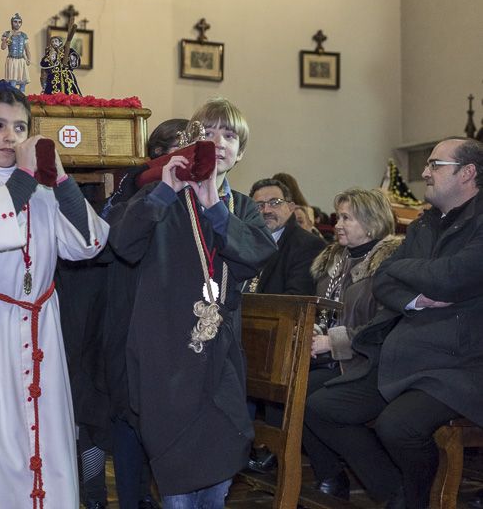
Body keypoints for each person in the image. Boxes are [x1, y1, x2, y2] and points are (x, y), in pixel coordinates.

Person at [0, 80, 109, 508]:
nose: (10, 136)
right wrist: (27, 178)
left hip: (39, 328)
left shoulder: (44, 189)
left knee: (44, 442)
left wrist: (61, 179)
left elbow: (89, 243)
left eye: (19, 126)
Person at [109, 98, 275, 508]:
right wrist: (165, 190)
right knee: (177, 477)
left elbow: (256, 253)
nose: (218, 142)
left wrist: (214, 207)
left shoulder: (241, 207)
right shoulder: (161, 197)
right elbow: (123, 243)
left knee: (220, 464)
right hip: (165, 356)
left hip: (220, 356)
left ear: (241, 152)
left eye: (230, 135)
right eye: (207, 132)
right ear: (188, 142)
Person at [305, 137, 483, 509]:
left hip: (459, 362)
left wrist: (412, 273)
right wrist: (417, 297)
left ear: (468, 173)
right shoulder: (424, 225)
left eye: (435, 165)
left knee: (397, 426)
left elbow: (451, 276)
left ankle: (417, 499)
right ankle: (393, 494)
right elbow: (386, 278)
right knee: (321, 407)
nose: (424, 172)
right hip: (403, 352)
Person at [100, 118, 190, 509]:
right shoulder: (131, 192)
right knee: (129, 417)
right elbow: (118, 243)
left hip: (183, 331)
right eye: (175, 147)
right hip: (132, 321)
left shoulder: (210, 196)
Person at [299, 187, 401, 500]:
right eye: (339, 216)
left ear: (372, 222)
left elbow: (385, 325)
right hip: (338, 360)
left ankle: (390, 488)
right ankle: (330, 474)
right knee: (295, 390)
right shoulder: (335, 260)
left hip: (375, 363)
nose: (338, 224)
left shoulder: (391, 261)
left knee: (309, 399)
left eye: (348, 217)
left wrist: (333, 342)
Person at [245, 177, 326, 473]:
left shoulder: (306, 245)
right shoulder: (250, 239)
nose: (266, 209)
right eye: (259, 204)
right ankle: (241, 448)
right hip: (250, 335)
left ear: (291, 207)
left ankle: (272, 452)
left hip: (280, 340)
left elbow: (295, 300)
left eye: (274, 203)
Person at [1, 13, 31, 92]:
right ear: (12, 22)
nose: (17, 24)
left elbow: (27, 49)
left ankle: (21, 98)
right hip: (12, 60)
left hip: (21, 60)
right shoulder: (7, 34)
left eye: (19, 22)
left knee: (23, 82)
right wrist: (7, 39)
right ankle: (13, 99)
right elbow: (3, 47)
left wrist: (29, 59)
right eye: (15, 22)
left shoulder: (23, 35)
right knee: (13, 82)